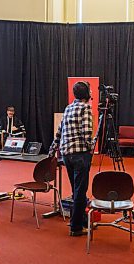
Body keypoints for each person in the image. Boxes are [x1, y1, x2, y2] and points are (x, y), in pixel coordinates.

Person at [49, 81, 94, 237]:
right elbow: (87, 133)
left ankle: (82, 221)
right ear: (87, 93)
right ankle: (76, 227)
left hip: (66, 155)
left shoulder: (68, 108)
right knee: (80, 192)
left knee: (77, 190)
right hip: (80, 155)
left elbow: (59, 131)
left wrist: (53, 148)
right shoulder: (86, 108)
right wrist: (91, 147)